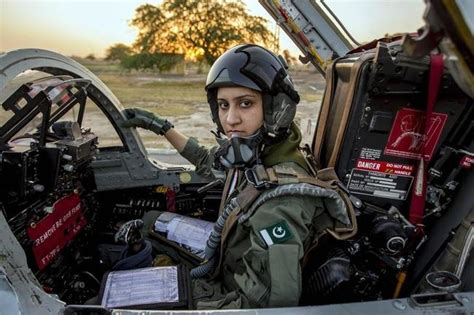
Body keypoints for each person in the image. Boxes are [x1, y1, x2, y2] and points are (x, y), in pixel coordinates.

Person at [120, 44, 354, 309]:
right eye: (223, 105)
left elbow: (272, 307)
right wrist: (161, 127)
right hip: (224, 261)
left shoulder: (277, 206)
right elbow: (208, 161)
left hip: (225, 291)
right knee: (152, 221)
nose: (230, 119)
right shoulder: (259, 155)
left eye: (245, 103)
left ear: (276, 109)